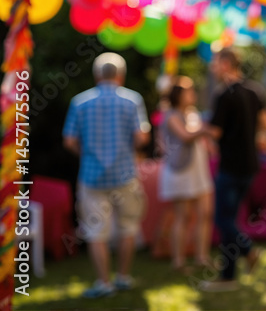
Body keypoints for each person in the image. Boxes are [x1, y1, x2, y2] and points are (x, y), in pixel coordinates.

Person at [62, 53, 150, 298]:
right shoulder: (132, 100)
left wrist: (86, 153)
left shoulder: (80, 102)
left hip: (92, 177)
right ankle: (123, 276)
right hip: (125, 175)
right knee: (128, 227)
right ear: (120, 76)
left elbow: (69, 140)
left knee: (95, 231)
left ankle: (104, 282)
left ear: (97, 75)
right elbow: (142, 137)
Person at [200, 48, 266, 292]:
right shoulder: (255, 90)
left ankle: (247, 254)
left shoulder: (223, 94)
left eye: (216, 62)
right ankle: (228, 274)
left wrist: (199, 127)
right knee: (230, 219)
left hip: (230, 165)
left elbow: (215, 132)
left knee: (223, 219)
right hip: (250, 165)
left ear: (227, 63)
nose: (213, 68)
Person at [159, 76, 213, 272]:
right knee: (182, 216)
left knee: (204, 214)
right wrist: (206, 130)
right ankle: (178, 261)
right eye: (188, 91)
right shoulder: (171, 115)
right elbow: (185, 136)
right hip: (180, 172)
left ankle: (201, 257)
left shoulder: (194, 114)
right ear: (178, 95)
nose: (193, 94)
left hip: (198, 170)